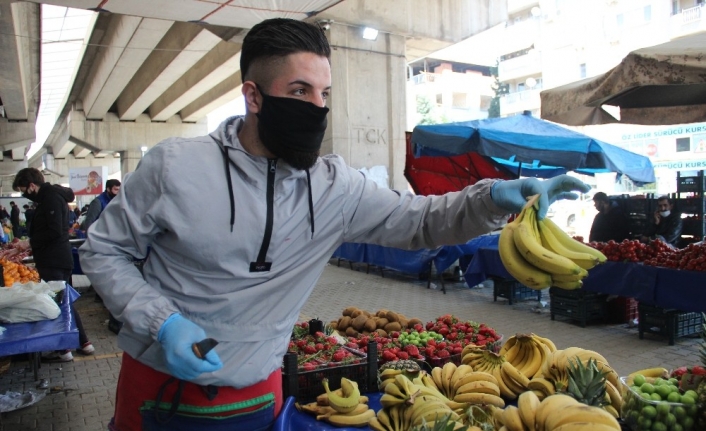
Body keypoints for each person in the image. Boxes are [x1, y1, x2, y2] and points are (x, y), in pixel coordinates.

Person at [79, 18, 589, 431]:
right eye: (299, 90)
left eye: (323, 93)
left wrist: (493, 196)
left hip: (259, 397)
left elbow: (421, 222)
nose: (317, 108)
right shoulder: (175, 167)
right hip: (157, 391)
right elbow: (103, 251)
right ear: (253, 97)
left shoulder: (333, 187)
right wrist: (158, 321)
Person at [12, 168, 95, 361]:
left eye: (24, 189)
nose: (24, 193)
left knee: (56, 303)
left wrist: (30, 242)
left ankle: (64, 349)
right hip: (54, 258)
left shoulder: (51, 199)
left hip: (54, 260)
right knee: (63, 301)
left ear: (32, 185)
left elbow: (55, 231)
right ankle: (83, 342)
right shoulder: (48, 199)